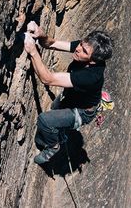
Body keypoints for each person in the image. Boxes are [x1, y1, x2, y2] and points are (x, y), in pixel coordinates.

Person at [24, 21, 113, 164]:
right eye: (81, 45)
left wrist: (33, 52)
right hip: (72, 97)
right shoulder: (85, 47)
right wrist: (41, 34)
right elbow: (52, 44)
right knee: (55, 108)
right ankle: (58, 132)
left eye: (84, 51)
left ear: (93, 61)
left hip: (83, 112)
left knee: (45, 120)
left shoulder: (91, 76)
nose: (78, 49)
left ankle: (53, 146)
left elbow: (48, 79)